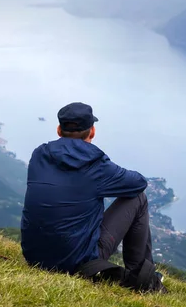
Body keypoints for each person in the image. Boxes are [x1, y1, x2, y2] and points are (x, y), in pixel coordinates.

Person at [20, 102, 163, 290]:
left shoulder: (39, 155)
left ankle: (141, 276)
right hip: (77, 263)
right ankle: (142, 278)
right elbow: (138, 183)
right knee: (138, 198)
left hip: (34, 256)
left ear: (58, 129)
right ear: (92, 132)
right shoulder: (96, 164)